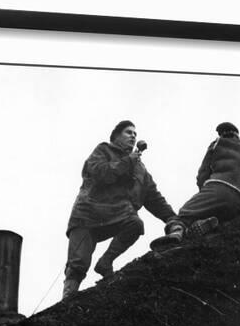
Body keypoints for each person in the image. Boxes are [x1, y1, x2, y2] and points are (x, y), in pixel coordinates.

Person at [63, 120, 175, 299]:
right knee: (77, 264)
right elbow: (102, 174)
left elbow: (153, 197)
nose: (133, 136)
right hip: (87, 214)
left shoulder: (140, 169)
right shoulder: (103, 151)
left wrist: (172, 218)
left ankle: (105, 262)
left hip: (117, 214)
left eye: (135, 134)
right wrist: (126, 162)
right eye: (128, 132)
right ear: (116, 136)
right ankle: (66, 302)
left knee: (135, 224)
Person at [163, 122, 240, 243]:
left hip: (218, 188)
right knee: (218, 217)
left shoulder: (217, 144)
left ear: (221, 134)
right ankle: (201, 226)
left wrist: (204, 191)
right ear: (237, 135)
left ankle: (176, 231)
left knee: (184, 214)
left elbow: (202, 174)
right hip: (239, 201)